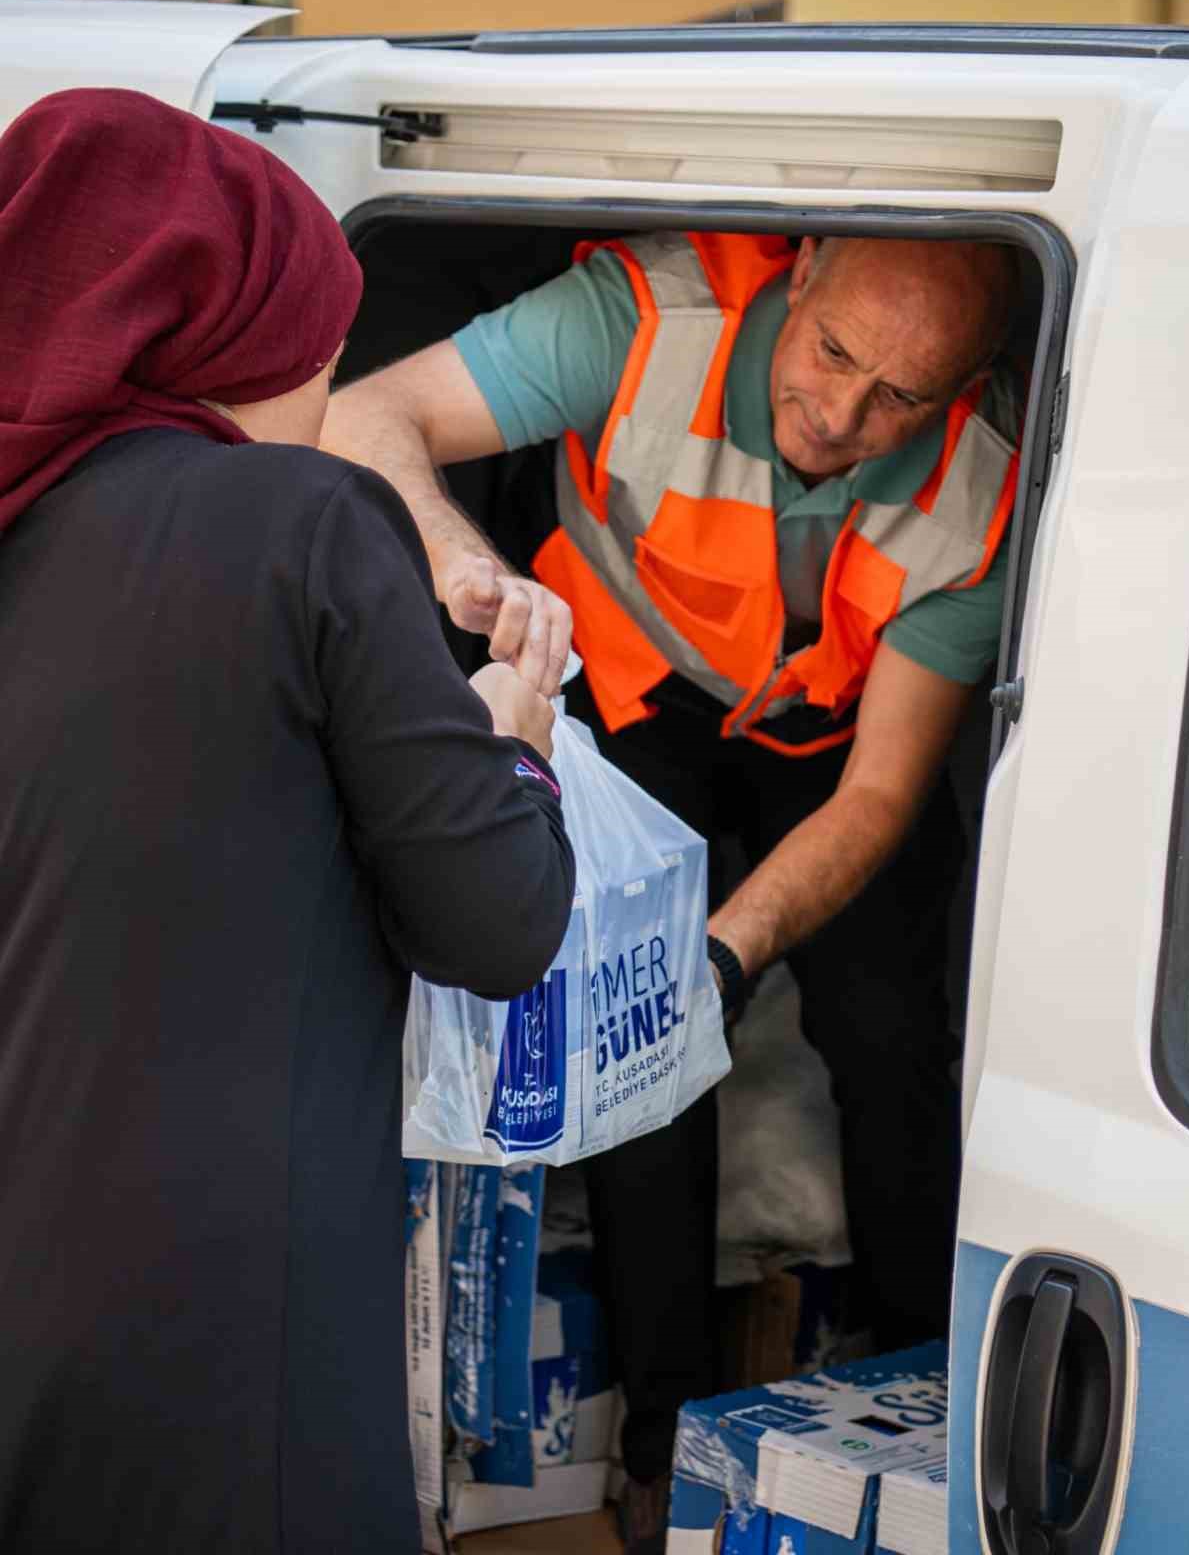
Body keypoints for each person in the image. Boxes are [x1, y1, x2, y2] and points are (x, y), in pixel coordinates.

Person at [323, 226, 1023, 1551]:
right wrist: (463, 563)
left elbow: (879, 798)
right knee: (633, 1042)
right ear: (800, 275)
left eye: (904, 395)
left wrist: (727, 952)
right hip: (640, 684)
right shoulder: (647, 321)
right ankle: (662, 1433)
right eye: (831, 354)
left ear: (974, 381)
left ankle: (921, 1396)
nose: (844, 412)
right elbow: (366, 413)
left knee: (887, 1039)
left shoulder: (984, 488)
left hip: (834, 729)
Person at [0, 89, 574, 1555]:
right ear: (224, 338)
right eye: (316, 360)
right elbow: (496, 923)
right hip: (210, 1343)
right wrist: (514, 747)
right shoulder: (301, 525)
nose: (320, 404)